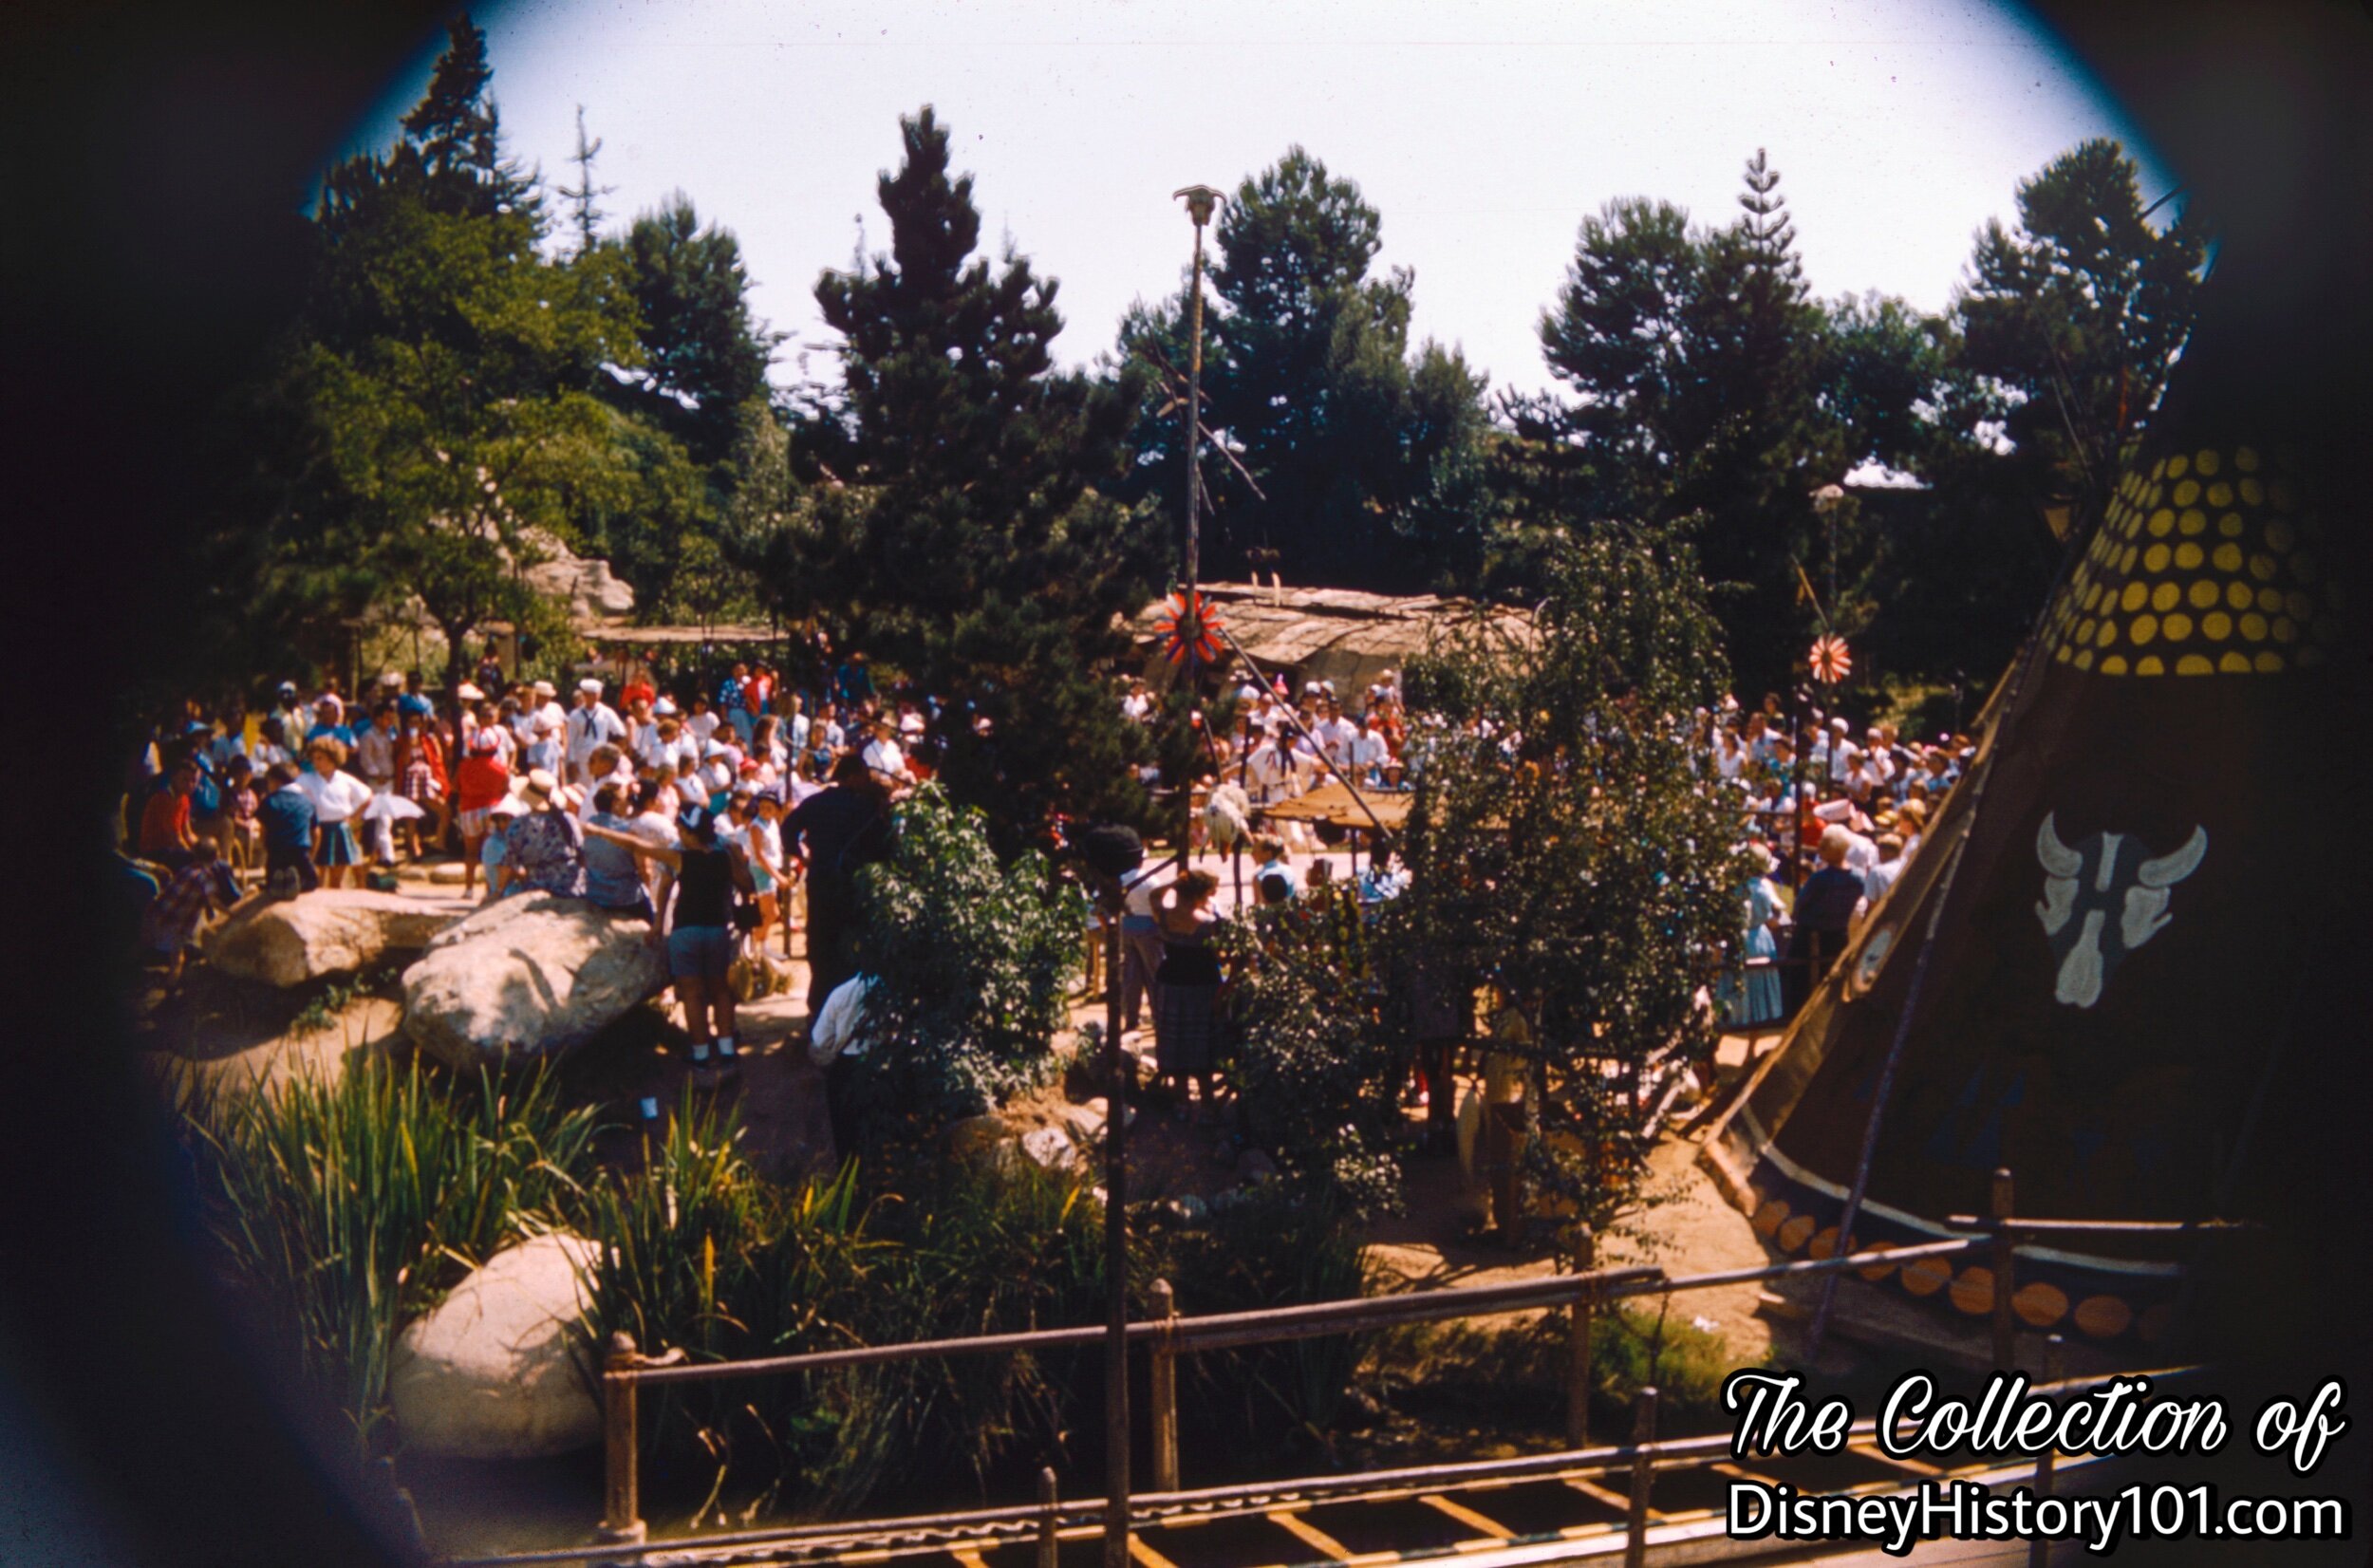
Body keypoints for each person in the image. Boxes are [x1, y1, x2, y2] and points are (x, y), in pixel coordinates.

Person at [584, 803, 756, 1085]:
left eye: (681, 829)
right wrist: (736, 860)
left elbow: (636, 844)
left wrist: (596, 831)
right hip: (717, 931)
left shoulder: (680, 858)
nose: (678, 833)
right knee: (720, 990)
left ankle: (700, 1054)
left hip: (686, 932)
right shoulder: (725, 856)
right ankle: (726, 1050)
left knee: (692, 994)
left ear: (690, 833)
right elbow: (748, 884)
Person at [782, 754, 891, 1018]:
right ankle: (851, 1009)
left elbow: (788, 829)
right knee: (853, 945)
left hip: (821, 880)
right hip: (856, 884)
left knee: (821, 944)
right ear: (852, 776)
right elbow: (884, 845)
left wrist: (801, 855)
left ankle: (819, 1008)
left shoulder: (815, 802)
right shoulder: (868, 807)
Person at [1150, 869, 1224, 1122]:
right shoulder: (1208, 923)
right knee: (1202, 1043)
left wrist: (1177, 882)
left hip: (1171, 984)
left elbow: (1154, 895)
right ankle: (1207, 1104)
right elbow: (1221, 956)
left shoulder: (1165, 917)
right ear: (1200, 895)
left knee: (1176, 1042)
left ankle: (1182, 1103)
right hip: (1202, 985)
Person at [1785, 826, 1865, 1016]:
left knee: (1798, 979)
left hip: (1810, 936)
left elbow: (1798, 906)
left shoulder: (1819, 879)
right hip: (1839, 935)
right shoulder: (1859, 878)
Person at [141, 840, 241, 983]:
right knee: (178, 959)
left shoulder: (187, 869)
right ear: (217, 855)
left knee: (148, 946)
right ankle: (171, 988)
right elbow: (212, 901)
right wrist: (231, 913)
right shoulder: (206, 877)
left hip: (158, 915)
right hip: (174, 923)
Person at [1717, 844, 1785, 1028]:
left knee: (1737, 982)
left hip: (1738, 937)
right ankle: (1753, 1043)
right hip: (1760, 938)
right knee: (1759, 986)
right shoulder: (1763, 889)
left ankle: (1733, 1022)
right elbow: (1771, 921)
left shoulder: (1732, 889)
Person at [296, 737, 372, 888]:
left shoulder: (345, 779)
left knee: (336, 879)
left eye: (320, 758)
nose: (316, 762)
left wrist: (353, 817)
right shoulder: (306, 779)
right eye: (314, 758)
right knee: (317, 876)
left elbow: (367, 796)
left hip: (339, 830)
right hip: (317, 830)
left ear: (332, 758)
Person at [501, 769, 588, 899]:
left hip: (537, 883)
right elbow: (582, 853)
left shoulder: (519, 824)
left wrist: (498, 890)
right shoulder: (569, 819)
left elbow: (509, 862)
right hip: (570, 883)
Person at [451, 734, 512, 896]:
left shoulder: (463, 766)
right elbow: (506, 790)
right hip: (493, 810)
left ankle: (469, 889)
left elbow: (455, 787)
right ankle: (489, 889)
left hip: (469, 809)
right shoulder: (501, 768)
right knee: (488, 851)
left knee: (470, 852)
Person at [256, 760, 318, 897]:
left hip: (276, 853)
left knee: (274, 870)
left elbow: (263, 831)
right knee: (311, 883)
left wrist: (265, 847)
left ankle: (276, 880)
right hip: (300, 853)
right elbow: (316, 832)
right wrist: (311, 855)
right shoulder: (307, 801)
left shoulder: (269, 801)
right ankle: (298, 881)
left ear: (275, 781)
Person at [139, 757, 204, 868]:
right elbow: (175, 838)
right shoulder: (163, 798)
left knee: (209, 856)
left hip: (172, 850)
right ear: (174, 778)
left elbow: (187, 833)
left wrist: (203, 849)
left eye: (193, 781)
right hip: (155, 851)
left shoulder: (184, 799)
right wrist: (195, 855)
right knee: (193, 861)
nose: (189, 784)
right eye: (184, 779)